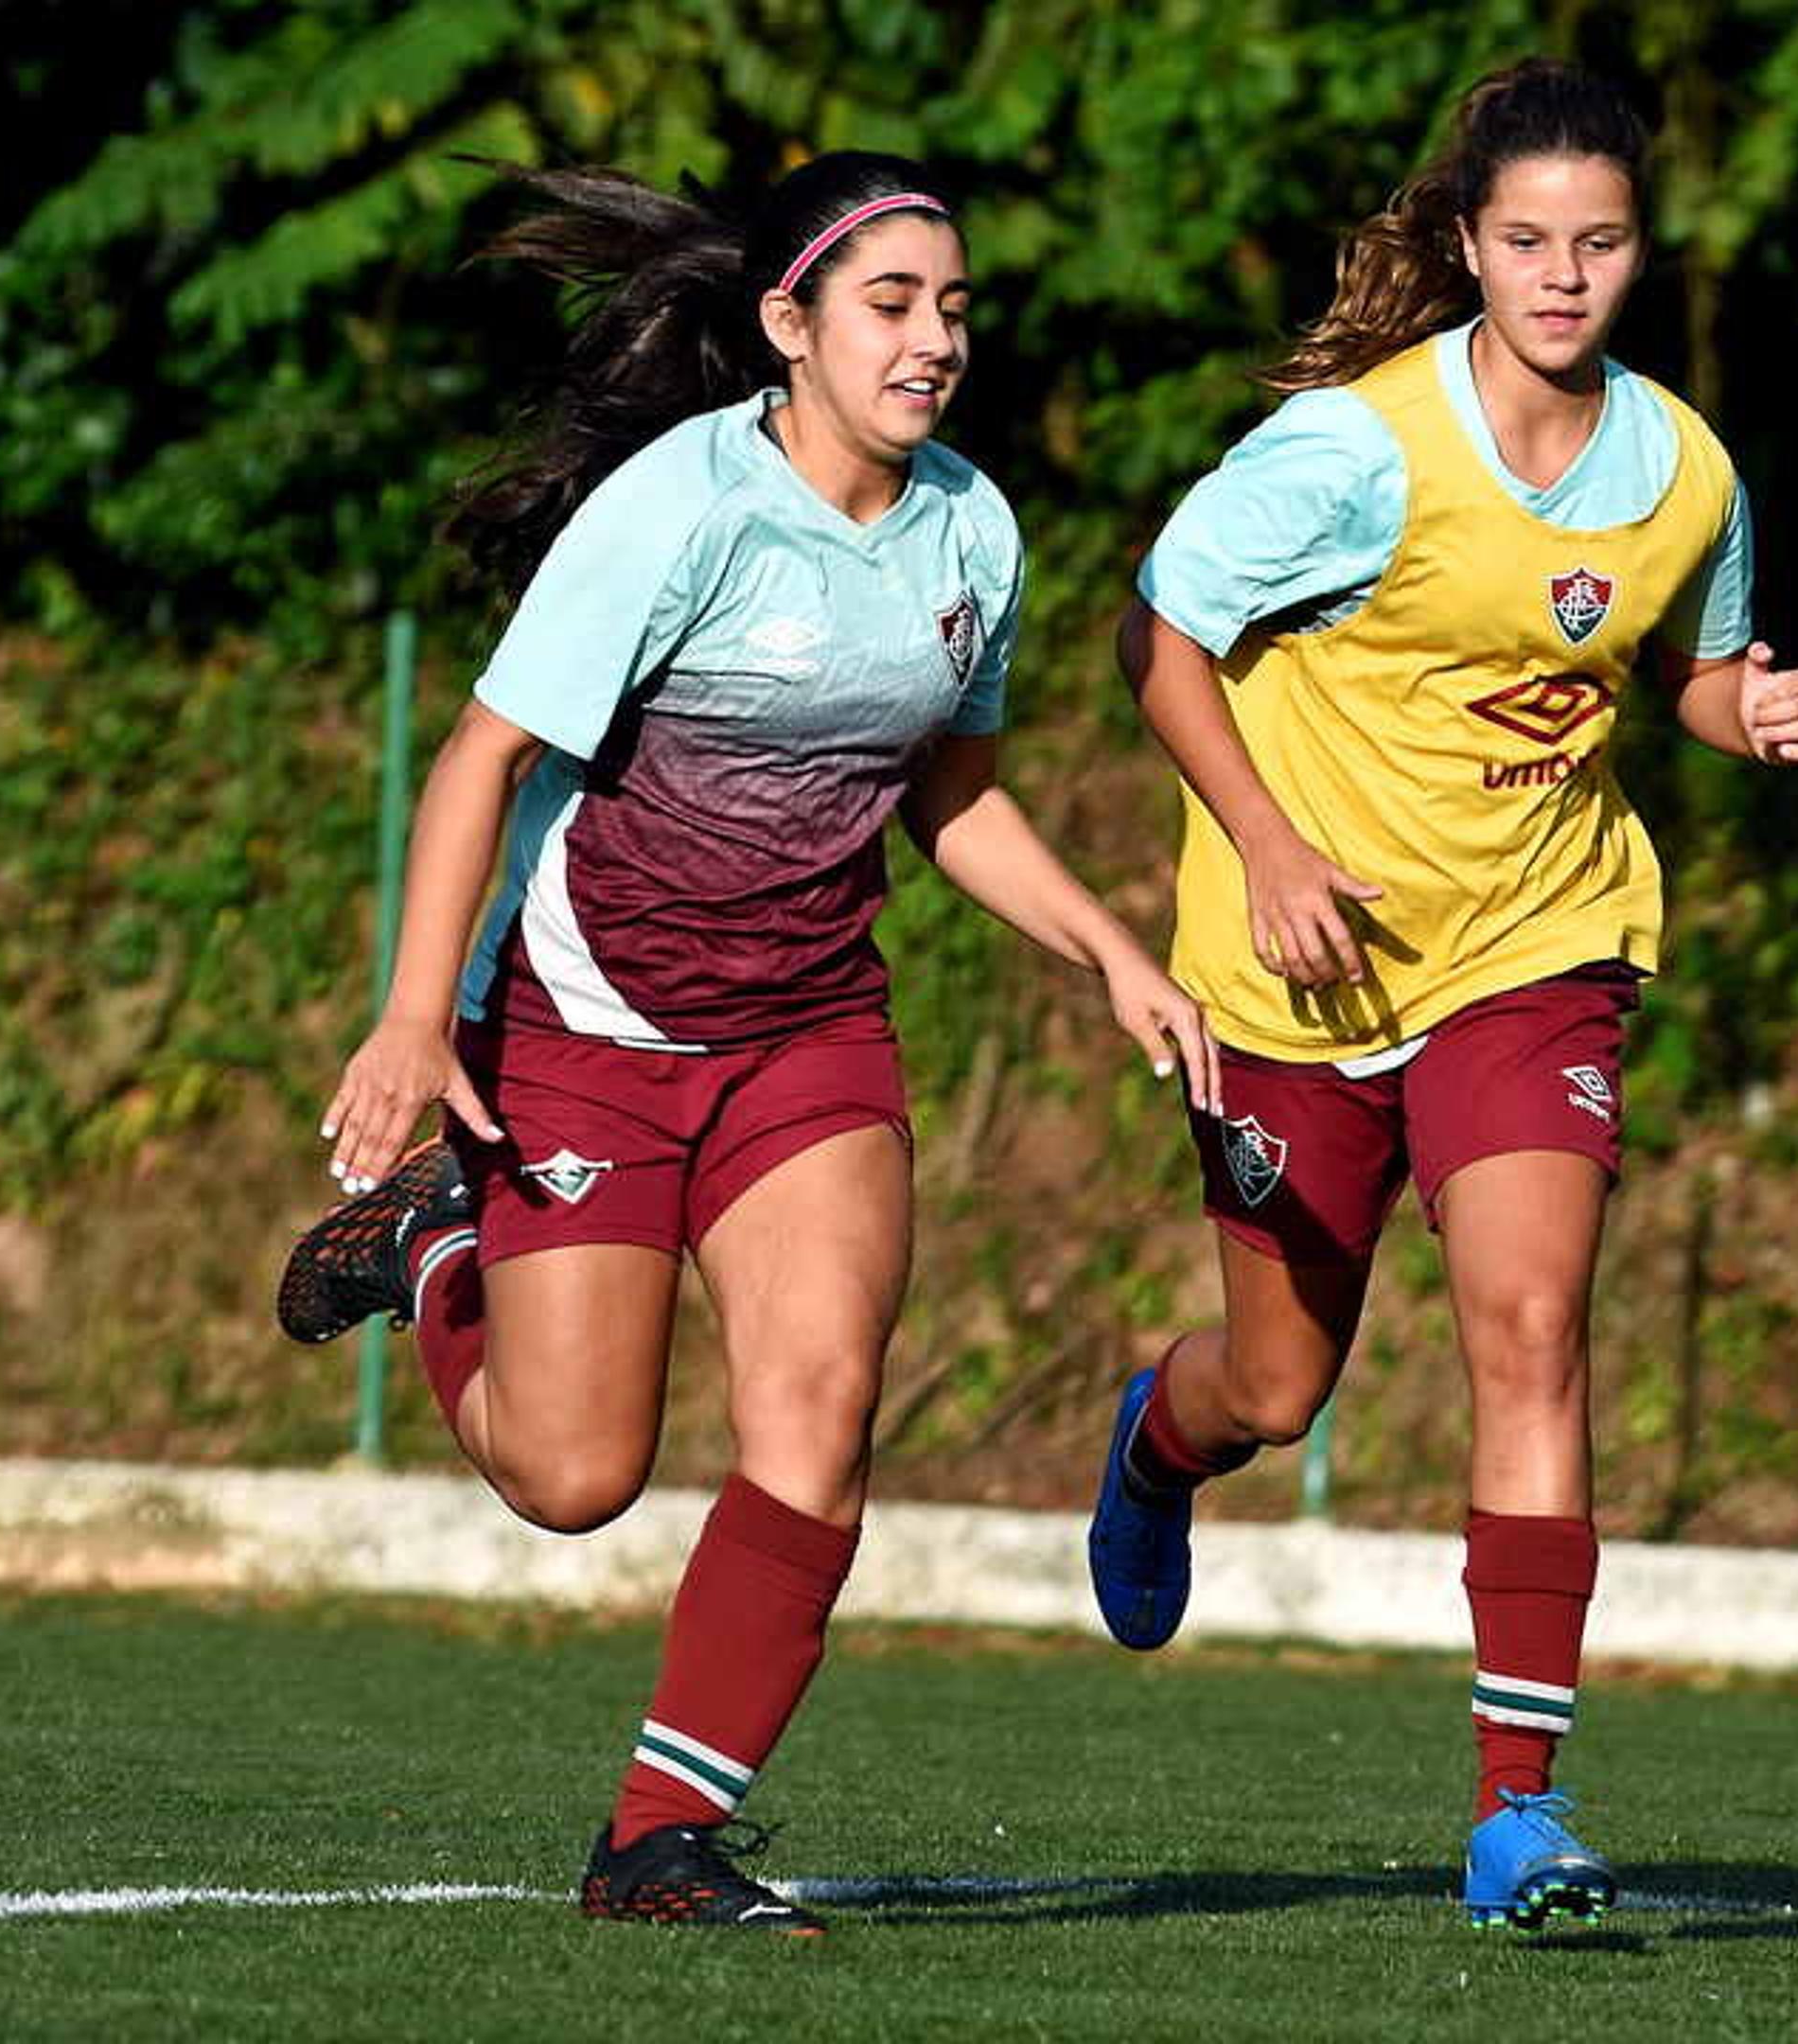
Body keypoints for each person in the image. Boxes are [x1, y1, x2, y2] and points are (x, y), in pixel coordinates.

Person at [273, 151, 1217, 1938]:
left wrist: (1111, 948)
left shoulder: (970, 529)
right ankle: (438, 1242)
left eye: (952, 306)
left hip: (807, 1035)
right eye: (890, 303)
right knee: (572, 1478)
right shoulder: (675, 508)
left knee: (822, 1405)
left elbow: (951, 793)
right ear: (787, 327)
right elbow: (481, 758)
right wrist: (412, 1015)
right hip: (585, 1028)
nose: (933, 338)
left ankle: (657, 1839)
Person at [1081, 60, 1798, 1931]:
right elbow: (1158, 636)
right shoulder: (1355, 451)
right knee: (1278, 1383)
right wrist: (1263, 845)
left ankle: (1521, 1811)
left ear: (1638, 249)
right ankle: (1158, 1442)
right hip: (1303, 966)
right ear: (1471, 246)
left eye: (1598, 242)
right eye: (1527, 242)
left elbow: (1686, 661)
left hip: (1536, 946)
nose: (1564, 276)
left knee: (1532, 1324)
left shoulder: (1687, 469)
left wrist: (1753, 709)